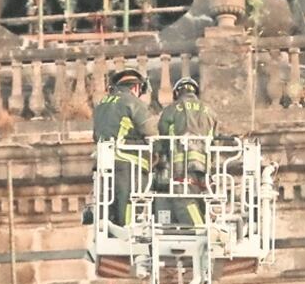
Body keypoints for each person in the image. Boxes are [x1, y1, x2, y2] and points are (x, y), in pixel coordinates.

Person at [91, 69, 153, 226]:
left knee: (108, 206)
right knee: (129, 204)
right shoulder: (133, 102)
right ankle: (127, 231)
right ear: (136, 87)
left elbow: (95, 134)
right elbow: (151, 131)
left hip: (104, 164)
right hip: (128, 163)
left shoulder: (101, 104)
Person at [156, 77, 216, 227]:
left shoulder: (170, 110)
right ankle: (204, 225)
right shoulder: (209, 111)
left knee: (183, 199)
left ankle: (200, 228)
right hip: (204, 166)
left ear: (177, 93)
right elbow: (215, 140)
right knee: (200, 200)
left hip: (181, 165)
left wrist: (162, 158)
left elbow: (163, 138)